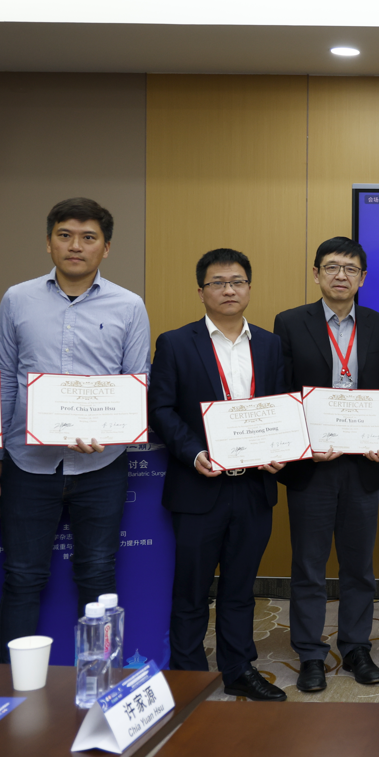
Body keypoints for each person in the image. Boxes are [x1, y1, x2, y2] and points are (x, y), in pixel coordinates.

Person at [0, 198, 150, 658]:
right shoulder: (17, 298)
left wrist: (110, 430)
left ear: (106, 248)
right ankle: (14, 685)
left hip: (101, 465)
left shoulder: (129, 305)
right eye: (65, 235)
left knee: (98, 574)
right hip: (27, 463)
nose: (75, 246)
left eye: (88, 237)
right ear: (49, 242)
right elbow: (3, 379)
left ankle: (97, 681)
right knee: (22, 576)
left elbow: (135, 383)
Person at [148, 249, 288, 701]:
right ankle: (189, 677)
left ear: (249, 287)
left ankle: (238, 668)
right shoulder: (175, 343)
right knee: (191, 589)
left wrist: (280, 451)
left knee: (240, 587)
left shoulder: (269, 344)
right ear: (201, 291)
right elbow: (161, 409)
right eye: (218, 282)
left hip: (253, 487)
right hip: (198, 485)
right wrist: (194, 453)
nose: (229, 290)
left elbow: (281, 406)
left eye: (237, 281)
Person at [272, 236, 379, 693]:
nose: (341, 276)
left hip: (363, 463)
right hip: (313, 466)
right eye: (331, 267)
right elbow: (282, 391)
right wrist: (302, 445)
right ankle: (310, 653)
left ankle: (356, 647)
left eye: (350, 269)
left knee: (359, 566)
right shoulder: (290, 322)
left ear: (363, 278)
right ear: (316, 273)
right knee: (309, 564)